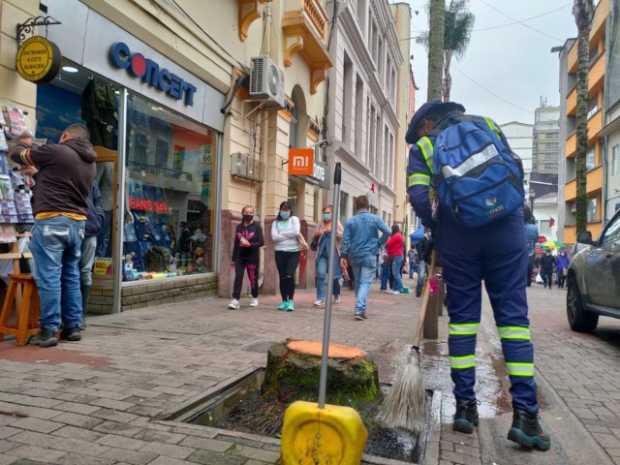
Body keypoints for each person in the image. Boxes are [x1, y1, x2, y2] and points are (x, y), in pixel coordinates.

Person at [406, 100, 550, 450]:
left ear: (426, 124)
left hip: (460, 237)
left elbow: (419, 197)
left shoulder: (425, 147)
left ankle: (465, 409)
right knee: (514, 321)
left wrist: (437, 229)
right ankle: (527, 417)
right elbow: (513, 169)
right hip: (507, 229)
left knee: (464, 322)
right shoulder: (487, 123)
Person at [10, 123, 96, 348]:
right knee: (71, 275)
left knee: (49, 275)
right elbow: (60, 180)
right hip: (77, 224)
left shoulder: (58, 150)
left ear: (66, 135)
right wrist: (39, 173)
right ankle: (72, 327)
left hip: (52, 220)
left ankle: (48, 330)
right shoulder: (89, 162)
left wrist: (23, 143)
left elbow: (17, 154)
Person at [340, 195, 391, 320]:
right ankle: (359, 309)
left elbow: (345, 240)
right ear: (367, 206)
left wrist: (344, 255)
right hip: (369, 254)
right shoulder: (375, 219)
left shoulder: (351, 221)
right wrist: (378, 243)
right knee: (365, 283)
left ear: (356, 206)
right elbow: (388, 231)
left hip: (355, 255)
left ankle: (361, 309)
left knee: (358, 282)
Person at [229, 206, 264, 310]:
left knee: (252, 278)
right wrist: (234, 258)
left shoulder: (257, 227)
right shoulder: (239, 227)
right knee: (238, 277)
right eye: (246, 212)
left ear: (253, 214)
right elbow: (236, 242)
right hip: (240, 256)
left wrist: (250, 244)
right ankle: (235, 300)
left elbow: (261, 242)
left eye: (250, 212)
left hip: (252, 256)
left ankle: (254, 296)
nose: (248, 214)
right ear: (242, 213)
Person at [81, 183, 104, 327]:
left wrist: (98, 219)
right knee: (74, 272)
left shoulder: (91, 181)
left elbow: (98, 202)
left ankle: (80, 315)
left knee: (84, 272)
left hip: (90, 231)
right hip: (75, 229)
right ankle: (75, 316)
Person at [271, 201, 301, 311]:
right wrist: (288, 234)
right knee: (282, 277)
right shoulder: (275, 223)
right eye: (283, 209)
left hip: (293, 252)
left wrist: (281, 235)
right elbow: (274, 237)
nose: (285, 212)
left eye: (287, 210)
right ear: (280, 210)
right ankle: (284, 301)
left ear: (290, 211)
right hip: (279, 252)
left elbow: (296, 232)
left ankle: (291, 301)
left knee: (289, 275)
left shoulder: (294, 219)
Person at [312, 205, 343, 307]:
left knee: (334, 276)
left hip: (333, 253)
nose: (326, 215)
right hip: (322, 253)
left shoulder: (336, 223)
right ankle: (320, 298)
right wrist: (320, 232)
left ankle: (337, 294)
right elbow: (315, 234)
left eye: (328, 212)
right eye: (325, 212)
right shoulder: (320, 223)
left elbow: (342, 235)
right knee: (320, 275)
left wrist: (333, 232)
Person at [385, 224, 405, 294]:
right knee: (396, 273)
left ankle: (400, 288)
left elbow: (388, 244)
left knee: (395, 273)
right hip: (398, 256)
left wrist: (387, 243)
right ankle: (396, 288)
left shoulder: (396, 236)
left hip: (396, 256)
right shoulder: (399, 235)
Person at [524, 206, 538, 287]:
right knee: (529, 266)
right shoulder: (534, 228)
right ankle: (528, 280)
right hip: (530, 251)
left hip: (519, 251)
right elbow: (536, 239)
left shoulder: (515, 226)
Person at [415, 232, 431, 297]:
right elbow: (419, 249)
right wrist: (422, 257)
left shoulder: (430, 239)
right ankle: (419, 292)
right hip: (424, 260)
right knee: (421, 276)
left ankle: (430, 293)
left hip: (428, 261)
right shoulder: (423, 240)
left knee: (430, 277)